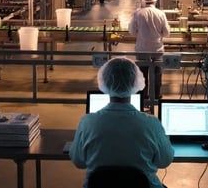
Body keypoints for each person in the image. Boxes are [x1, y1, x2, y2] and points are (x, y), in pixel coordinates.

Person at [69, 57, 174, 188]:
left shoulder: (87, 122)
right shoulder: (151, 124)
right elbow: (164, 161)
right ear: (136, 83)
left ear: (105, 82)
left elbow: (79, 162)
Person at [128, 0, 170, 100]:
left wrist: (141, 34)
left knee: (142, 75)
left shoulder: (138, 13)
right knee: (157, 74)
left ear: (143, 0)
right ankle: (156, 96)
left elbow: (132, 31)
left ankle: (143, 98)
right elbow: (166, 33)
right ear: (156, 1)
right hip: (157, 49)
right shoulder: (160, 14)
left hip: (142, 49)